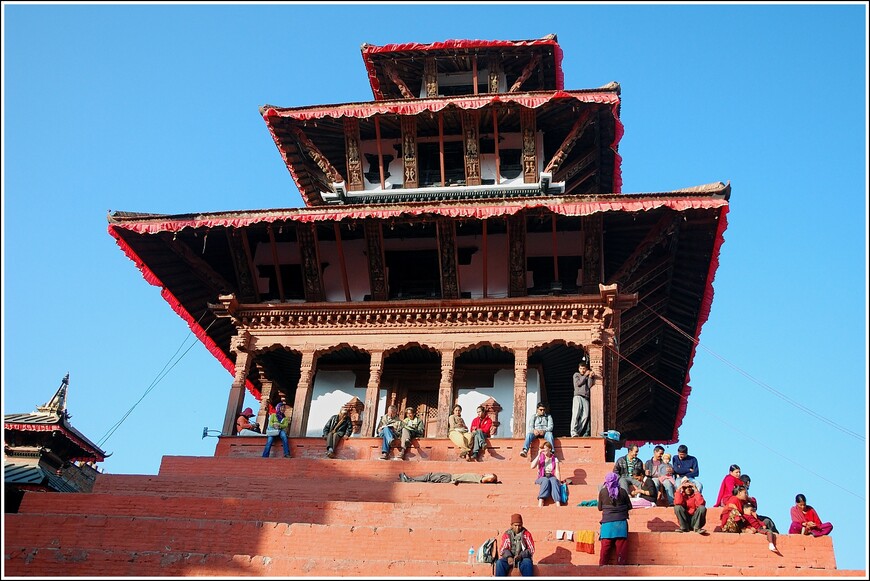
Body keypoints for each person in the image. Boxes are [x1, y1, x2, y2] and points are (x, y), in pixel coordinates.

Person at [598, 472, 632, 566]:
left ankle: (601, 569)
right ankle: (621, 571)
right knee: (621, 551)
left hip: (607, 525)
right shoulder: (623, 491)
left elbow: (600, 508)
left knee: (605, 550)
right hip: (621, 524)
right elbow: (629, 506)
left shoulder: (603, 492)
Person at [530, 440, 563, 507]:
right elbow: (532, 466)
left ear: (549, 449)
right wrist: (538, 454)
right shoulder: (540, 458)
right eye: (543, 448)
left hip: (551, 476)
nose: (544, 450)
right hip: (542, 477)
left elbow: (557, 471)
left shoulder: (554, 459)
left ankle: (557, 502)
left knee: (554, 481)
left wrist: (558, 481)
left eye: (545, 448)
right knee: (545, 480)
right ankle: (541, 500)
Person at [570, 362, 594, 437]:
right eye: (581, 368)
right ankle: (573, 432)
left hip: (586, 398)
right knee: (576, 414)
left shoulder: (586, 377)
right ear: (578, 369)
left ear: (586, 369)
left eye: (584, 369)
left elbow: (590, 385)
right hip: (578, 396)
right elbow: (578, 383)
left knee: (585, 416)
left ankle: (578, 432)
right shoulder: (576, 375)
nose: (582, 370)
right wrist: (586, 375)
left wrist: (590, 377)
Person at [398, 472, 499, 484]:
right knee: (429, 481)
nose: (487, 473)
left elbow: (490, 479)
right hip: (450, 478)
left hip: (450, 478)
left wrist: (492, 477)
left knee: (430, 476)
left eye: (489, 474)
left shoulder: (480, 479)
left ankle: (410, 480)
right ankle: (410, 481)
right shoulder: (479, 478)